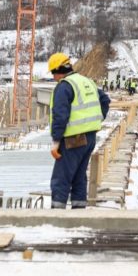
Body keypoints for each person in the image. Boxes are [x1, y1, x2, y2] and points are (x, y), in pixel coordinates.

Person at [48, 53, 110, 209]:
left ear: (58, 70)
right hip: (90, 138)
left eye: (53, 73)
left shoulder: (64, 86)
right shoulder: (86, 81)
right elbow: (105, 100)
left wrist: (56, 142)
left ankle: (56, 217)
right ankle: (78, 213)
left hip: (73, 140)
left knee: (61, 178)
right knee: (78, 177)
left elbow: (60, 116)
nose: (53, 77)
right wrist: (96, 120)